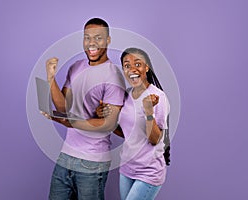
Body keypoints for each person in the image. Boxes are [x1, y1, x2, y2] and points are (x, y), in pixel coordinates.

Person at [43, 18, 126, 200]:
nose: (91, 43)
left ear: (108, 40)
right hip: (66, 157)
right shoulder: (76, 67)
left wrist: (72, 123)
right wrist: (51, 79)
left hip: (93, 162)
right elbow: (63, 107)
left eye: (98, 38)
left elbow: (108, 124)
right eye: (87, 38)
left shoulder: (113, 76)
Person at [96, 47, 170, 200]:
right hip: (127, 168)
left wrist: (148, 112)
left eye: (138, 64)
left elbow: (154, 139)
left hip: (149, 171)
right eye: (127, 65)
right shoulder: (127, 95)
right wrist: (106, 118)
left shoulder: (158, 96)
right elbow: (126, 132)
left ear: (146, 67)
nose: (132, 69)